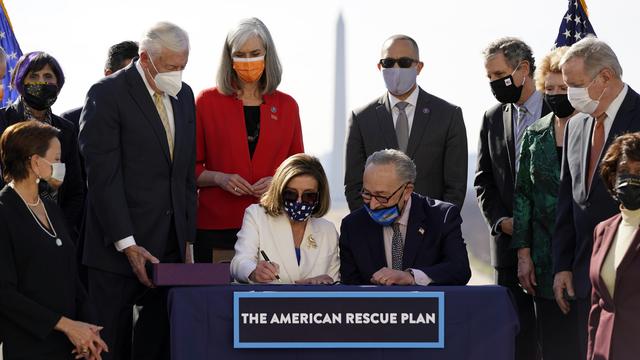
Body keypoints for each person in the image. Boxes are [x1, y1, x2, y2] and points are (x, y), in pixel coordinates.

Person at [79, 22, 196, 360]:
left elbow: (185, 177)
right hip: (116, 253)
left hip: (169, 253)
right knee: (109, 348)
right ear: (145, 58)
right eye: (172, 66)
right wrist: (128, 245)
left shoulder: (184, 96)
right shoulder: (106, 94)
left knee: (156, 347)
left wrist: (187, 242)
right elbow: (102, 177)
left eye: (183, 66)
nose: (178, 73)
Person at [552, 37, 640, 360]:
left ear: (606, 77)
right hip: (583, 279)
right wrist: (561, 265)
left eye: (576, 84)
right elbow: (568, 201)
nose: (570, 94)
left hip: (631, 282)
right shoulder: (575, 126)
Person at [195, 17, 304, 263]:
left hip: (272, 222)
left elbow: (299, 169)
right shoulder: (206, 102)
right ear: (229, 57)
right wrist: (219, 178)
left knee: (265, 300)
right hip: (216, 226)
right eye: (240, 54)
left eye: (255, 53)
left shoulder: (287, 106)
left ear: (268, 55)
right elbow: (189, 167)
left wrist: (278, 181)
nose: (247, 61)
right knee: (216, 300)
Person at [0, 121, 107, 359]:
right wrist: (67, 325)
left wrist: (87, 330)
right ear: (36, 162)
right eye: (57, 159)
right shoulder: (4, 211)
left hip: (69, 344)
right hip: (29, 345)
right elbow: (4, 293)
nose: (61, 166)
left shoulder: (51, 207)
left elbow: (71, 275)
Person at [475, 37, 547, 360]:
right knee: (513, 344)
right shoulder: (491, 118)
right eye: (488, 77)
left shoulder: (558, 110)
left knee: (552, 341)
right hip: (506, 253)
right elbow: (483, 180)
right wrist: (501, 221)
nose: (494, 83)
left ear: (523, 70)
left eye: (499, 74)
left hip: (550, 250)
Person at [344, 34, 467, 211]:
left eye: (404, 62)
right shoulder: (362, 118)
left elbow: (456, 186)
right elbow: (353, 185)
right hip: (377, 227)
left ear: (419, 67)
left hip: (430, 229)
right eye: (388, 62)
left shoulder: (448, 115)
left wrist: (439, 226)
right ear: (379, 67)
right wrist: (370, 226)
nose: (396, 68)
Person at [511, 46, 577, 360]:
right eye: (549, 89)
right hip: (543, 259)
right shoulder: (535, 134)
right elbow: (523, 196)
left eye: (562, 88)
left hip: (585, 255)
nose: (555, 94)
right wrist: (524, 256)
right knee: (550, 346)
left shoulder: (595, 127)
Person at [339, 149, 471, 286]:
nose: (372, 205)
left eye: (382, 196)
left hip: (427, 307)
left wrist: (410, 277)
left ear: (407, 191)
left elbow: (460, 270)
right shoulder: (353, 226)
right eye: (367, 194)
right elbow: (350, 287)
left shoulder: (442, 216)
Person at [0, 51, 84, 242]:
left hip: (54, 236)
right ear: (21, 81)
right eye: (34, 76)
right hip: (9, 233)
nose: (42, 82)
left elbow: (75, 191)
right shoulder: (3, 122)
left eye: (48, 76)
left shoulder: (67, 130)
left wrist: (59, 228)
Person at [231, 154, 339, 284]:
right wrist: (254, 271)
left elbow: (335, 282)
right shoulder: (257, 215)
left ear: (319, 197)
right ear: (280, 191)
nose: (299, 201)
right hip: (266, 303)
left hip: (312, 304)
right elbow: (239, 262)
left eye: (308, 196)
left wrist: (323, 283)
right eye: (291, 194)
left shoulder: (328, 230)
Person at [588, 133, 640, 360]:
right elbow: (597, 306)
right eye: (625, 172)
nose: (630, 180)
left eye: (639, 173)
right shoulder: (603, 230)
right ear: (612, 176)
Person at [62, 41, 139, 130]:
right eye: (130, 75)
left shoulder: (152, 118)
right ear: (109, 75)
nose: (137, 82)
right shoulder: (71, 121)